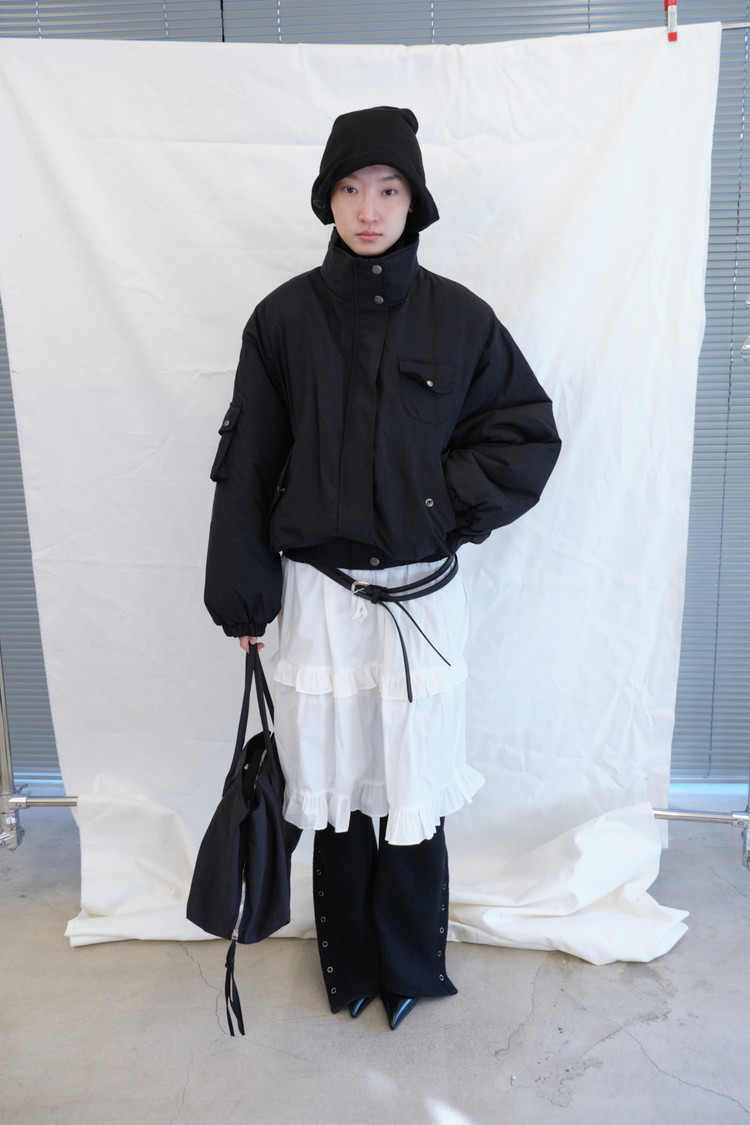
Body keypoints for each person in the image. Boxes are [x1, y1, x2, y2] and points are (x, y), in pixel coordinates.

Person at [204, 106, 561, 1029]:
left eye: (389, 189)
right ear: (328, 199)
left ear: (415, 201)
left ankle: (410, 966)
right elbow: (249, 460)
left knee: (410, 777)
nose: (370, 208)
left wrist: (437, 503)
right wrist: (243, 596)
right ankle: (350, 965)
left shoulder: (461, 318)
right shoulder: (282, 319)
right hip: (320, 599)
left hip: (419, 603)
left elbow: (526, 436)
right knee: (335, 779)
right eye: (352, 188)